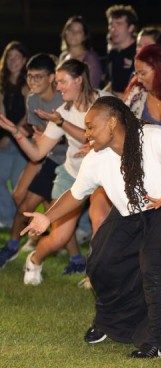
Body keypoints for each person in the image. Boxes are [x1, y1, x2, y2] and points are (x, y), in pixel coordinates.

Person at [21, 96, 161, 358]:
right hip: (131, 211)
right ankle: (111, 323)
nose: (86, 135)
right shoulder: (97, 158)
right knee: (102, 262)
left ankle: (158, 342)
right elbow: (76, 194)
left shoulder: (154, 138)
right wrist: (48, 217)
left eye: (90, 127)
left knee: (157, 270)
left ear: (113, 122)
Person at [1, 59, 112, 285]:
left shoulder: (104, 102)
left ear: (79, 80)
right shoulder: (61, 112)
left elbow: (100, 135)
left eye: (62, 82)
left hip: (101, 174)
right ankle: (35, 258)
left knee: (99, 221)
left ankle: (94, 274)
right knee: (59, 237)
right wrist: (16, 132)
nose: (58, 87)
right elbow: (37, 153)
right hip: (72, 174)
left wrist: (85, 136)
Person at [0, 53, 77, 270]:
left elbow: (72, 135)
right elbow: (37, 134)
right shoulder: (32, 99)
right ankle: (14, 245)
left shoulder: (64, 99)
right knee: (25, 201)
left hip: (67, 159)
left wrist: (48, 135)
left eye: (38, 77)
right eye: (30, 77)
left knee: (53, 207)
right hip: (46, 156)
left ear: (53, 77)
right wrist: (37, 135)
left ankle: (75, 258)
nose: (32, 82)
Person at [0, 42, 30, 233]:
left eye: (17, 57)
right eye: (9, 57)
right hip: (6, 137)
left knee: (17, 182)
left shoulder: (28, 83)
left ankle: (24, 220)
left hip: (23, 138)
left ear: (24, 60)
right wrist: (4, 134)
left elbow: (30, 114)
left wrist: (13, 132)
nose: (13, 61)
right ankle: (6, 217)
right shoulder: (2, 84)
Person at [123, 44, 161, 131]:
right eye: (137, 74)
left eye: (143, 73)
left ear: (160, 69)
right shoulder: (136, 95)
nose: (139, 79)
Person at [59, 15, 103, 89]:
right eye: (71, 30)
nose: (74, 34)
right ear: (65, 32)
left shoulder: (91, 58)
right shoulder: (63, 56)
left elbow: (93, 87)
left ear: (85, 36)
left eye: (78, 31)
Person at [105, 4, 138, 98]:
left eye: (118, 24)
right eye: (111, 24)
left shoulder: (139, 52)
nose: (113, 29)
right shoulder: (113, 53)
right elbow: (111, 84)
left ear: (131, 28)